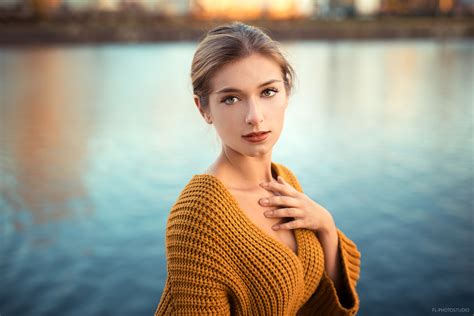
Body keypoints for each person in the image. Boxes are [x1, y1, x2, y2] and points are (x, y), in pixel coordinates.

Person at [155, 22, 361, 315]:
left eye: (268, 92)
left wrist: (326, 226)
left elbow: (323, 299)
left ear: (286, 93)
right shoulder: (198, 216)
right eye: (231, 98)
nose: (254, 117)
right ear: (204, 109)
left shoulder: (283, 179)